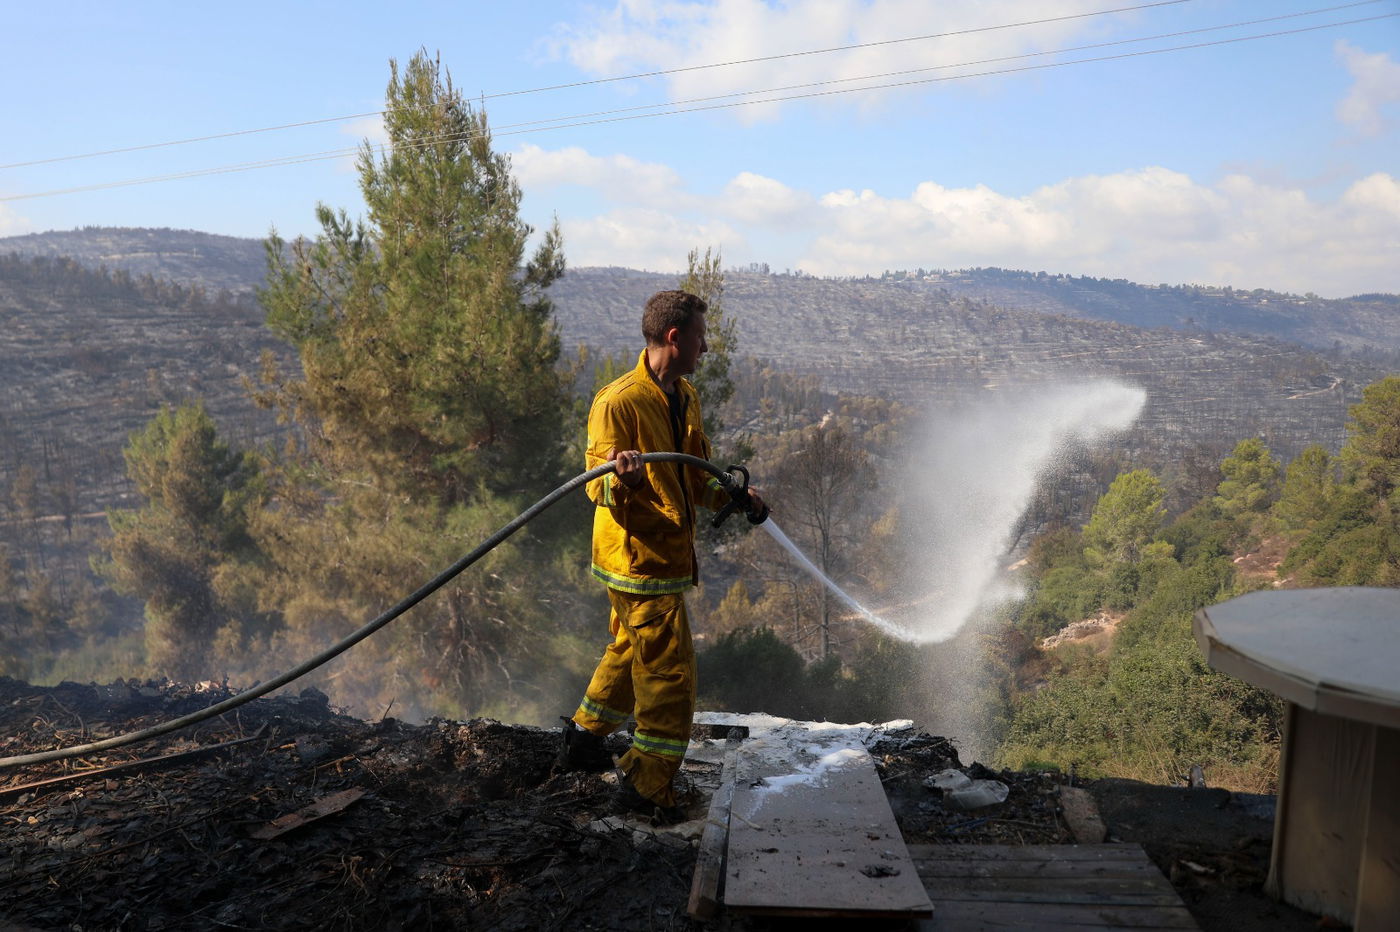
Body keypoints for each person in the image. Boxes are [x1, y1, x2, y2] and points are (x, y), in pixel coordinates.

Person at [558, 289, 763, 821]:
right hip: (639, 562)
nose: (706, 345)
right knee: (669, 674)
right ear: (674, 337)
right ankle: (647, 785)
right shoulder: (617, 402)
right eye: (700, 335)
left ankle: (583, 738)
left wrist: (732, 497)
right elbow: (593, 487)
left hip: (661, 558)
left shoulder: (685, 396)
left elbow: (693, 473)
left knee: (630, 649)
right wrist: (618, 479)